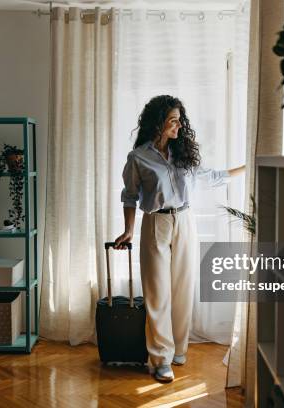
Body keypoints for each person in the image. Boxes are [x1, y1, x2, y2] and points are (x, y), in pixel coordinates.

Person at [114, 95, 245, 382]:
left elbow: (211, 176)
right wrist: (128, 230)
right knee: (157, 292)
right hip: (155, 224)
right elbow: (130, 196)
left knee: (183, 288)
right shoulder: (138, 158)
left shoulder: (182, 154)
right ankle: (161, 357)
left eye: (179, 119)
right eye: (173, 120)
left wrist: (246, 167)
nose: (178, 125)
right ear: (158, 123)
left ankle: (179, 348)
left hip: (185, 221)